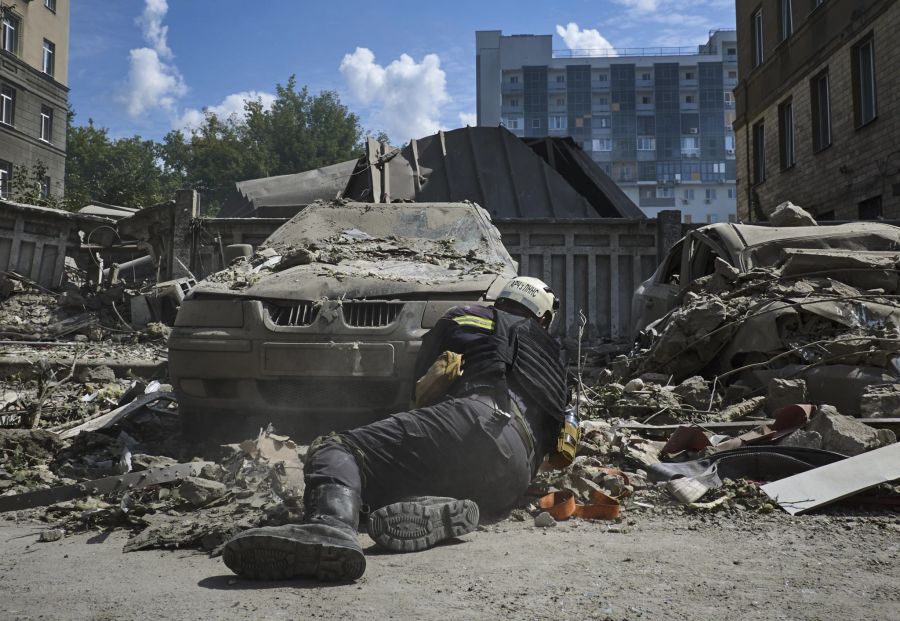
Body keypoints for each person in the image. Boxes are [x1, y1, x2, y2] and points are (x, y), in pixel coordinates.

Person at [222, 276, 570, 582]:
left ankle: (328, 526)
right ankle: (437, 506)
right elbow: (561, 453)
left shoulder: (468, 315)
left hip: (473, 420)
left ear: (503, 300)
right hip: (514, 477)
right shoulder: (558, 363)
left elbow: (420, 383)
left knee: (338, 449)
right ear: (543, 317)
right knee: (406, 475)